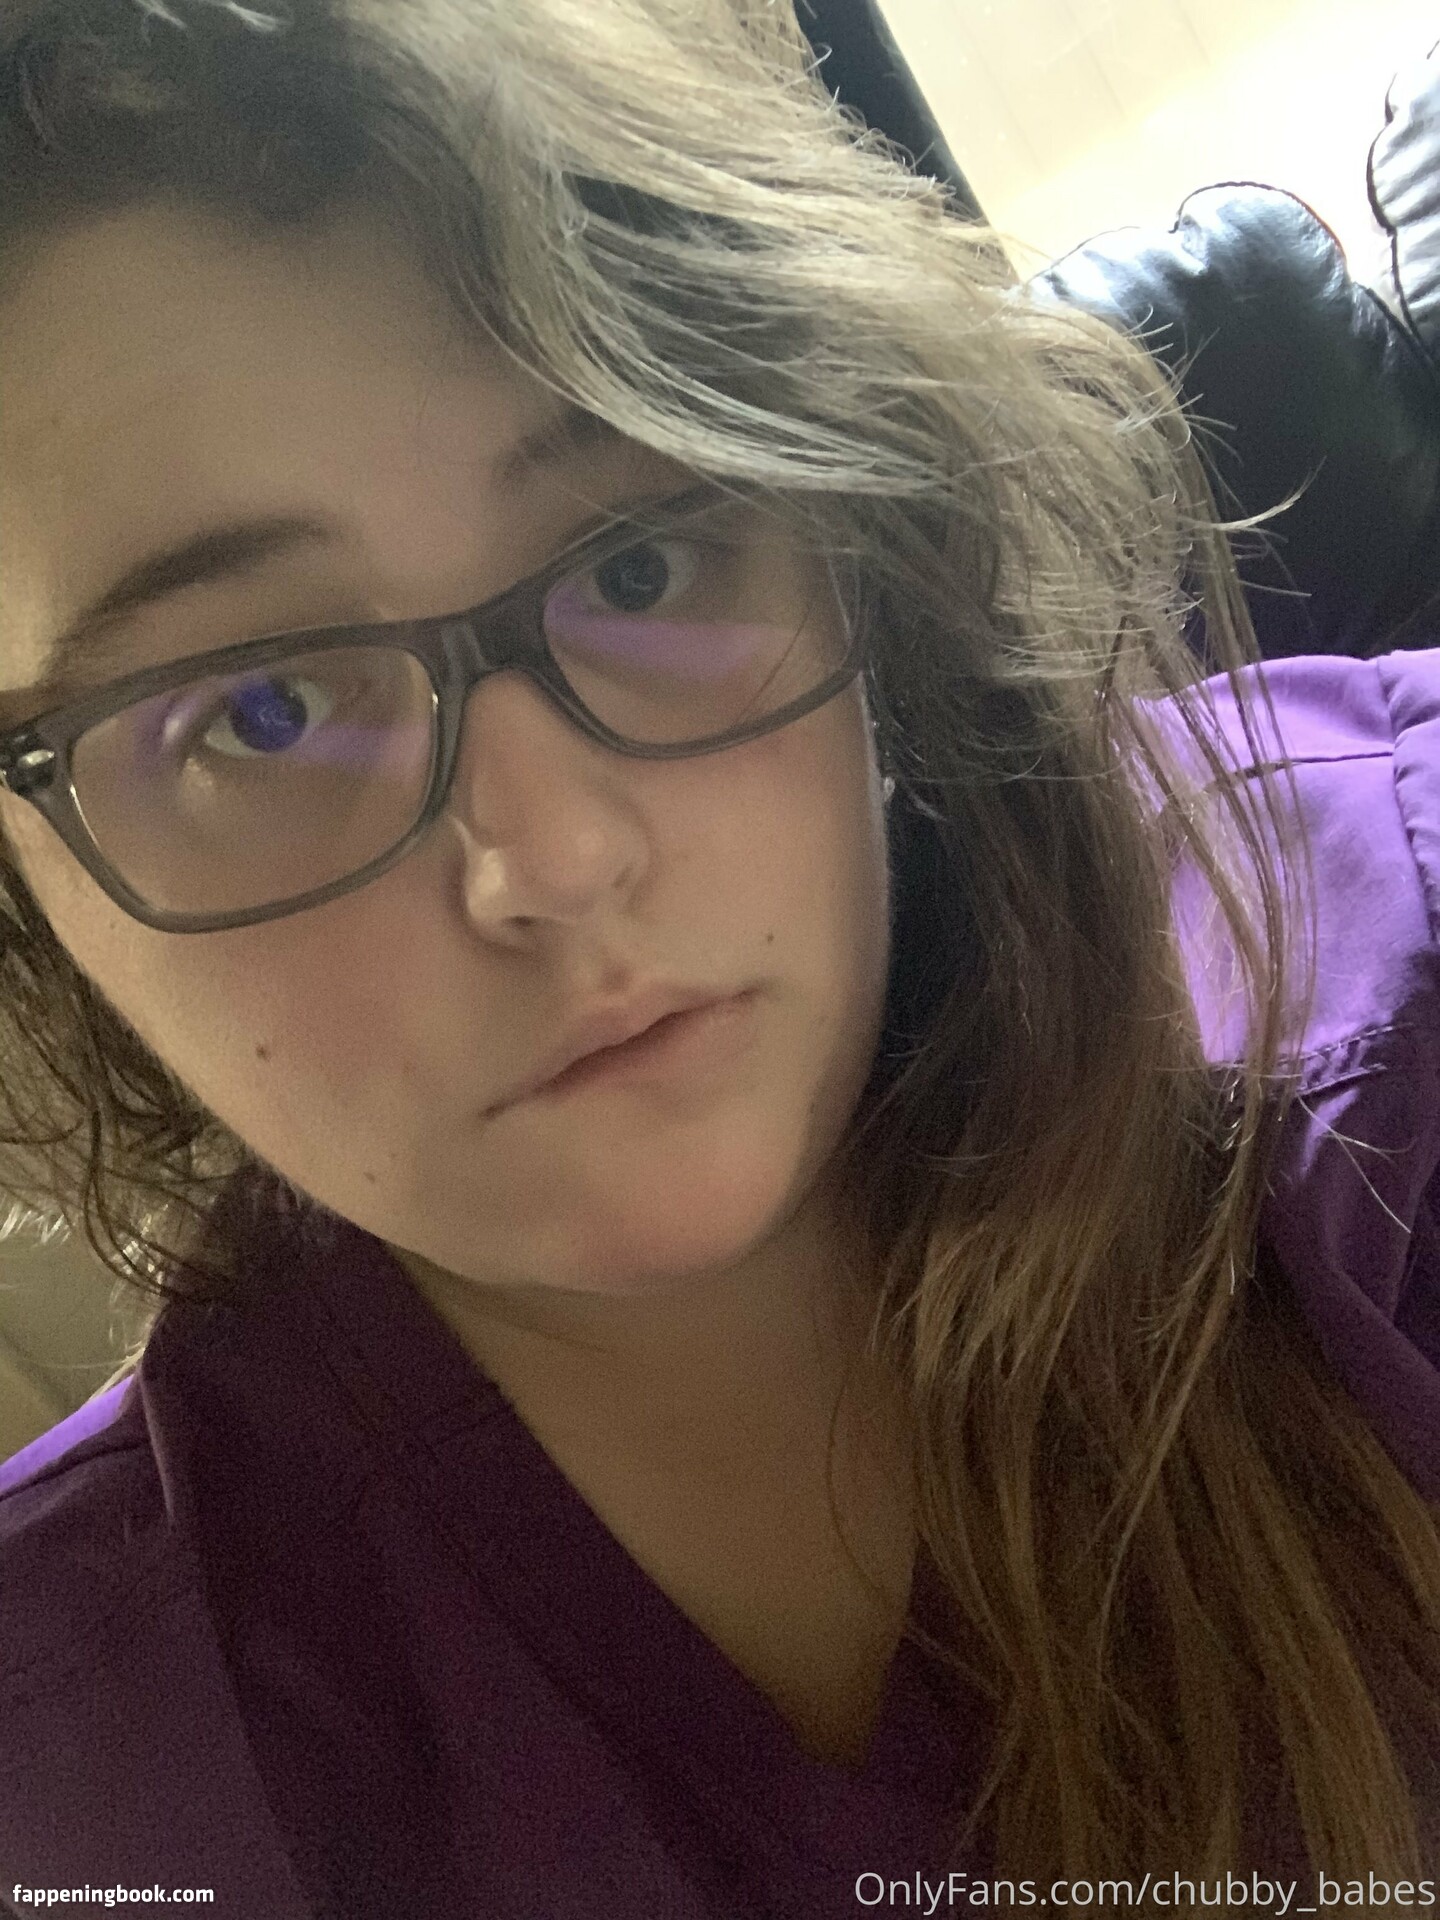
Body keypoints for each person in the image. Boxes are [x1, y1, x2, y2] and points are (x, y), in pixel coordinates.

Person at [0, 0, 1435, 1914]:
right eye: (256, 714)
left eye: (639, 566)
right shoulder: (83, 1773)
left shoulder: (1388, 1033)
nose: (559, 856)